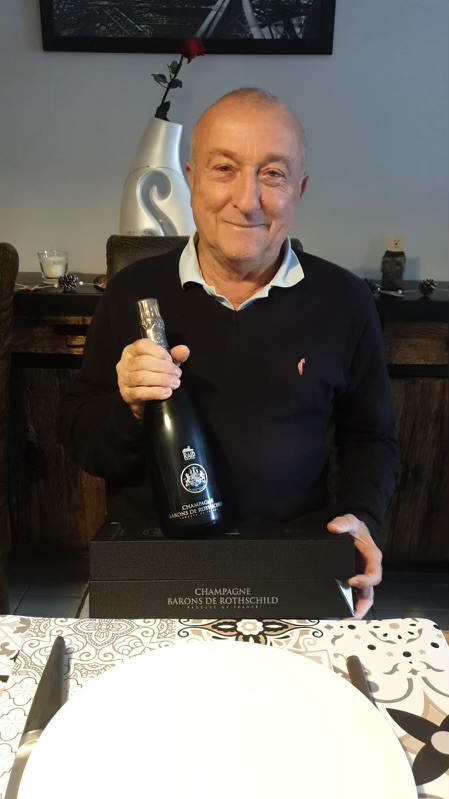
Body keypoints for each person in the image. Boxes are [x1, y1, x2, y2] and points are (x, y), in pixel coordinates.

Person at [60, 88, 399, 619]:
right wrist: (130, 407)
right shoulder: (131, 293)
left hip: (292, 564)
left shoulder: (345, 301)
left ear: (300, 189)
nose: (248, 199)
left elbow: (371, 438)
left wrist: (360, 518)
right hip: (153, 568)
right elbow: (84, 443)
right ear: (192, 180)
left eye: (273, 174)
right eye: (224, 169)